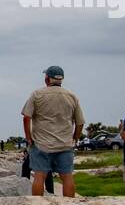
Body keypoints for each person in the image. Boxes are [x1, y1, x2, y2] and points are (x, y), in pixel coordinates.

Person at [21, 65, 84, 197]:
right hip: (65, 143)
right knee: (67, 177)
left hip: (41, 144)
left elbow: (27, 117)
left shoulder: (37, 94)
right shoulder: (71, 96)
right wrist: (75, 138)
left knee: (39, 176)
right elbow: (80, 122)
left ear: (47, 79)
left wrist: (28, 137)